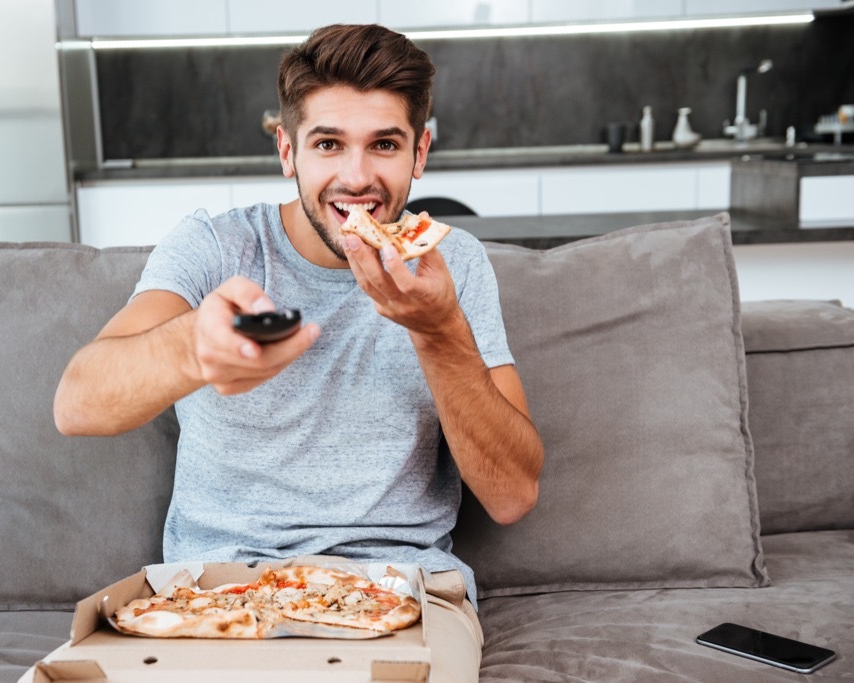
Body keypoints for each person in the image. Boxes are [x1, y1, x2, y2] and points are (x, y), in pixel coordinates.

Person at [54, 23, 543, 681]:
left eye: (385, 144)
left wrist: (438, 332)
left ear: (420, 152)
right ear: (288, 151)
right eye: (328, 144)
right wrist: (193, 346)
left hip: (400, 587)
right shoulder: (215, 248)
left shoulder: (452, 264)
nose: (357, 177)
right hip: (213, 590)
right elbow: (77, 403)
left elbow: (513, 494)